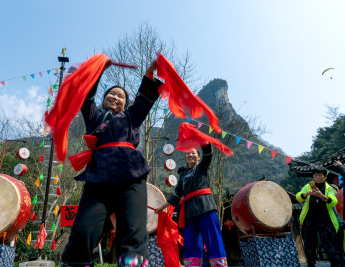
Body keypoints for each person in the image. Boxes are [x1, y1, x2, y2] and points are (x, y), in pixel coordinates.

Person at [61, 60, 162, 267]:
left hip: (131, 176)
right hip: (98, 177)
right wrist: (98, 70)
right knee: (83, 231)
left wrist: (149, 75)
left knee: (133, 232)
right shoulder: (94, 115)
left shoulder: (132, 117)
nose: (116, 97)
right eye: (112, 94)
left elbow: (143, 100)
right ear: (104, 98)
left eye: (121, 96)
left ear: (126, 103)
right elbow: (86, 95)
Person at [155, 144, 228, 267]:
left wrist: (203, 141)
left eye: (193, 153)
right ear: (185, 157)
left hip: (206, 208)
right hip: (189, 213)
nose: (190, 155)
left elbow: (208, 154)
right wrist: (160, 207)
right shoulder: (183, 176)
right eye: (188, 153)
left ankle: (219, 265)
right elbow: (176, 196)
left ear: (198, 157)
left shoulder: (202, 168)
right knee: (190, 242)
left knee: (213, 240)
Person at [296, 167, 345, 267]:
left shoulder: (329, 188)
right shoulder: (308, 186)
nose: (317, 177)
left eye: (320, 175)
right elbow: (298, 197)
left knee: (330, 242)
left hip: (325, 218)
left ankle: (336, 264)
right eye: (315, 175)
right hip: (310, 218)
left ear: (325, 176)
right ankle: (311, 263)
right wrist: (306, 194)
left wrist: (322, 196)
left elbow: (334, 201)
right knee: (309, 243)